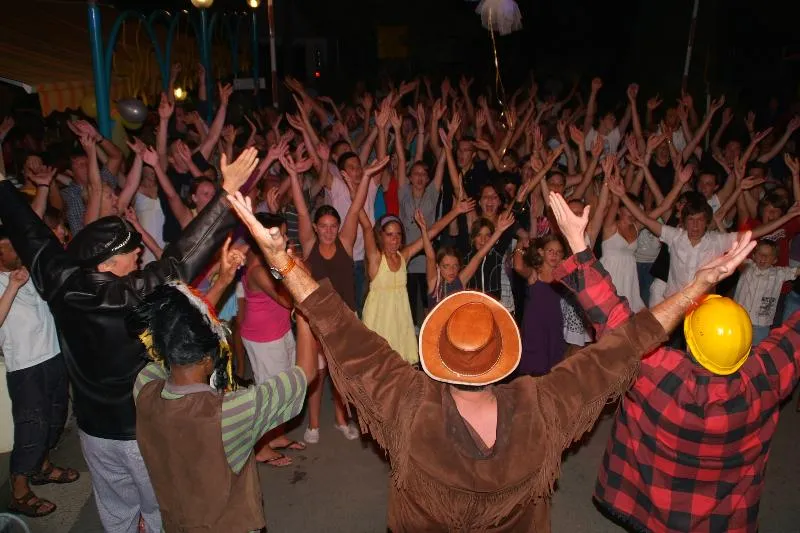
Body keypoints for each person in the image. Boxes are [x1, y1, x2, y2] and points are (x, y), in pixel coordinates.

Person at [226, 187, 748, 532]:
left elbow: (338, 328)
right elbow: (624, 343)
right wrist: (698, 288)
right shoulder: (542, 404)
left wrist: (281, 261)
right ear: (503, 355)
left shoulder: (408, 402)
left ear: (438, 356)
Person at [0, 148, 259, 533]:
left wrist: (3, 189)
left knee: (116, 510)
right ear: (105, 264)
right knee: (158, 510)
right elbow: (183, 257)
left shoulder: (60, 281)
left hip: (93, 432)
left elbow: (30, 233)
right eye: (130, 250)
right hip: (141, 432)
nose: (140, 251)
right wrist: (226, 195)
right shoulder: (132, 295)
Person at [129, 280, 315, 532]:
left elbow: (173, 345)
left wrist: (198, 306)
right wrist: (303, 314)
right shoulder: (230, 412)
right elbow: (305, 373)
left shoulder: (144, 387)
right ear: (208, 360)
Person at [0, 229, 77, 518]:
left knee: (55, 419)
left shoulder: (28, 272)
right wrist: (12, 287)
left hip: (53, 356)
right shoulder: (6, 280)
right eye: (10, 247)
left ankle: (42, 467)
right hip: (25, 367)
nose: (17, 252)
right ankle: (18, 493)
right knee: (31, 427)